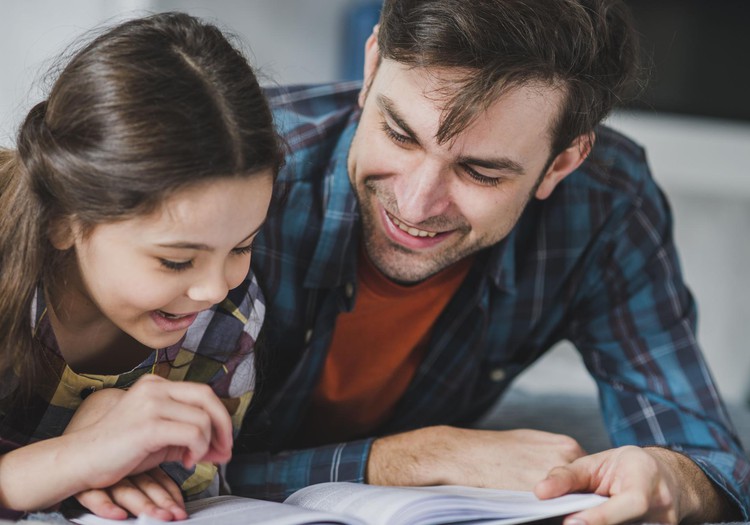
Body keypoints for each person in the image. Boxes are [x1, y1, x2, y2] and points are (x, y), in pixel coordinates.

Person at [224, 0, 750, 523]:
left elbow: (703, 454)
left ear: (563, 162)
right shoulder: (232, 165)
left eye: (481, 173)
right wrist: (418, 457)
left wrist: (670, 478)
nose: (415, 205)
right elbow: (170, 470)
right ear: (372, 65)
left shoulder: (606, 203)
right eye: (400, 134)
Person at [0, 12, 283, 521]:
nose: (214, 289)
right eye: (176, 260)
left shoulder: (227, 321)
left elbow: (188, 495)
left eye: (242, 247)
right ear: (63, 218)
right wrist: (73, 456)